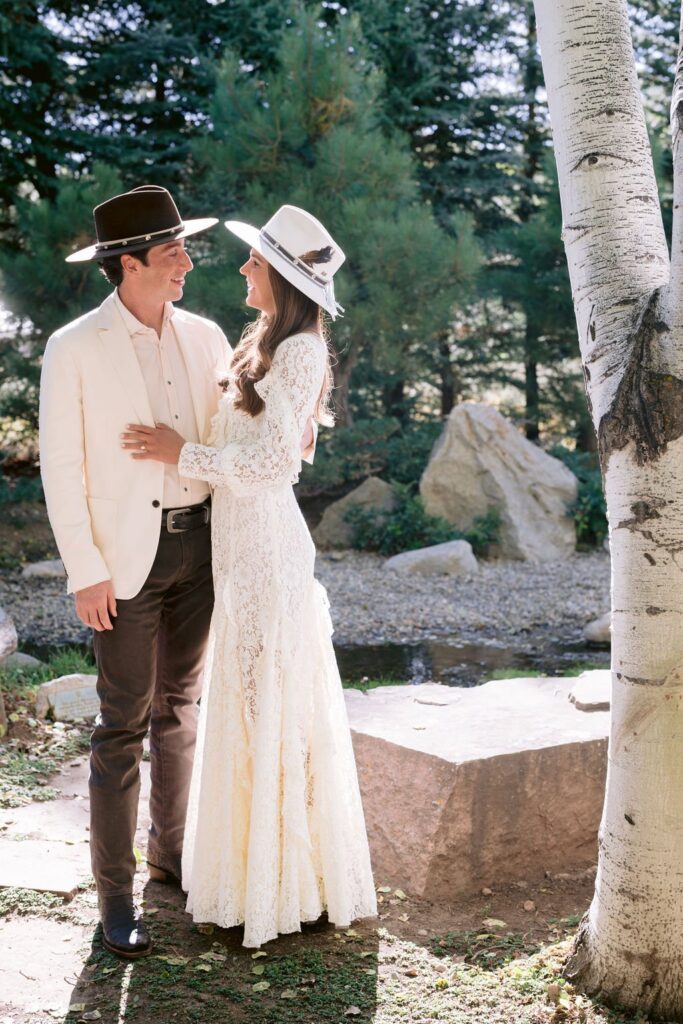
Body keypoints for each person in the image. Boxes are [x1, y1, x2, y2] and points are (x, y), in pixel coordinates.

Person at [121, 205, 377, 947]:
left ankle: (289, 887)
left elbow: (269, 467)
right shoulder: (260, 343)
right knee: (247, 708)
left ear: (286, 278)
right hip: (235, 556)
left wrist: (181, 453)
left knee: (272, 712)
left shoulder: (301, 352)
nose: (240, 269)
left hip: (267, 556)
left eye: (254, 261)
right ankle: (251, 872)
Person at [39, 185, 230, 958]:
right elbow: (61, 465)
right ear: (129, 263)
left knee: (180, 712)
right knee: (121, 726)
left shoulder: (210, 336)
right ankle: (114, 898)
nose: (187, 259)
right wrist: (84, 569)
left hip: (202, 551)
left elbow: (231, 436)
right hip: (123, 562)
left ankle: (170, 859)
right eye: (173, 249)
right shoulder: (73, 346)